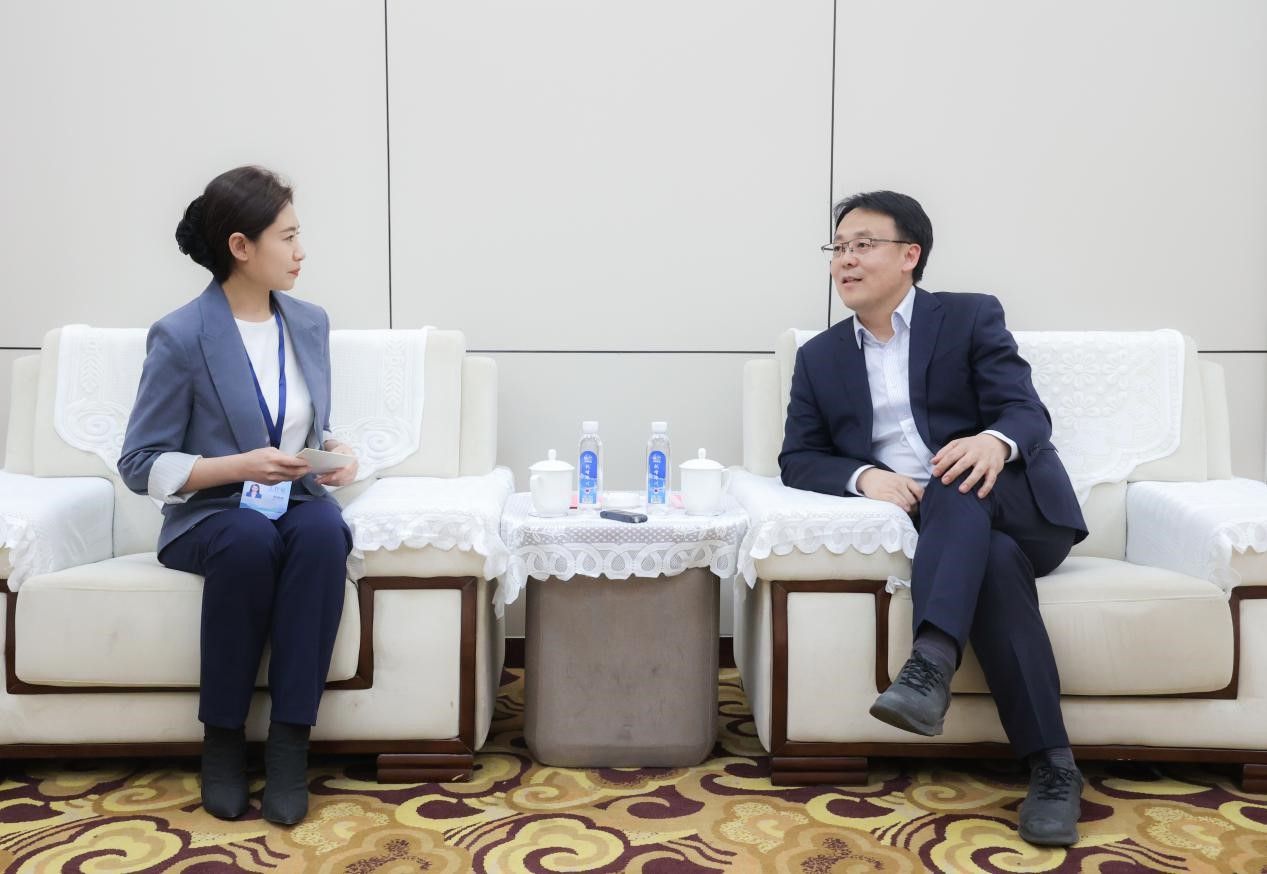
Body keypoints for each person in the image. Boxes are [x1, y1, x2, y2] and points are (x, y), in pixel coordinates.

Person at [779, 191, 1089, 847]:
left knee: (951, 472)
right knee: (992, 563)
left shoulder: (969, 317)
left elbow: (1026, 412)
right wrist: (864, 477)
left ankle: (928, 663)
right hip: (957, 538)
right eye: (838, 248)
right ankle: (1053, 768)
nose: (845, 260)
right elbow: (798, 458)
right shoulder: (820, 357)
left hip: (1022, 509)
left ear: (909, 255)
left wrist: (992, 442)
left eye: (863, 244)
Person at [118, 166, 359, 826]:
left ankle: (289, 745)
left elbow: (307, 424)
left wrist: (336, 452)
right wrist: (237, 466)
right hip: (214, 514)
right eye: (288, 236)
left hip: (295, 501)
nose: (301, 251)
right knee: (249, 539)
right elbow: (139, 463)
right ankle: (222, 740)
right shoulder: (181, 335)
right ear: (240, 246)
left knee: (325, 532)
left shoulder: (309, 323)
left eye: (299, 234)